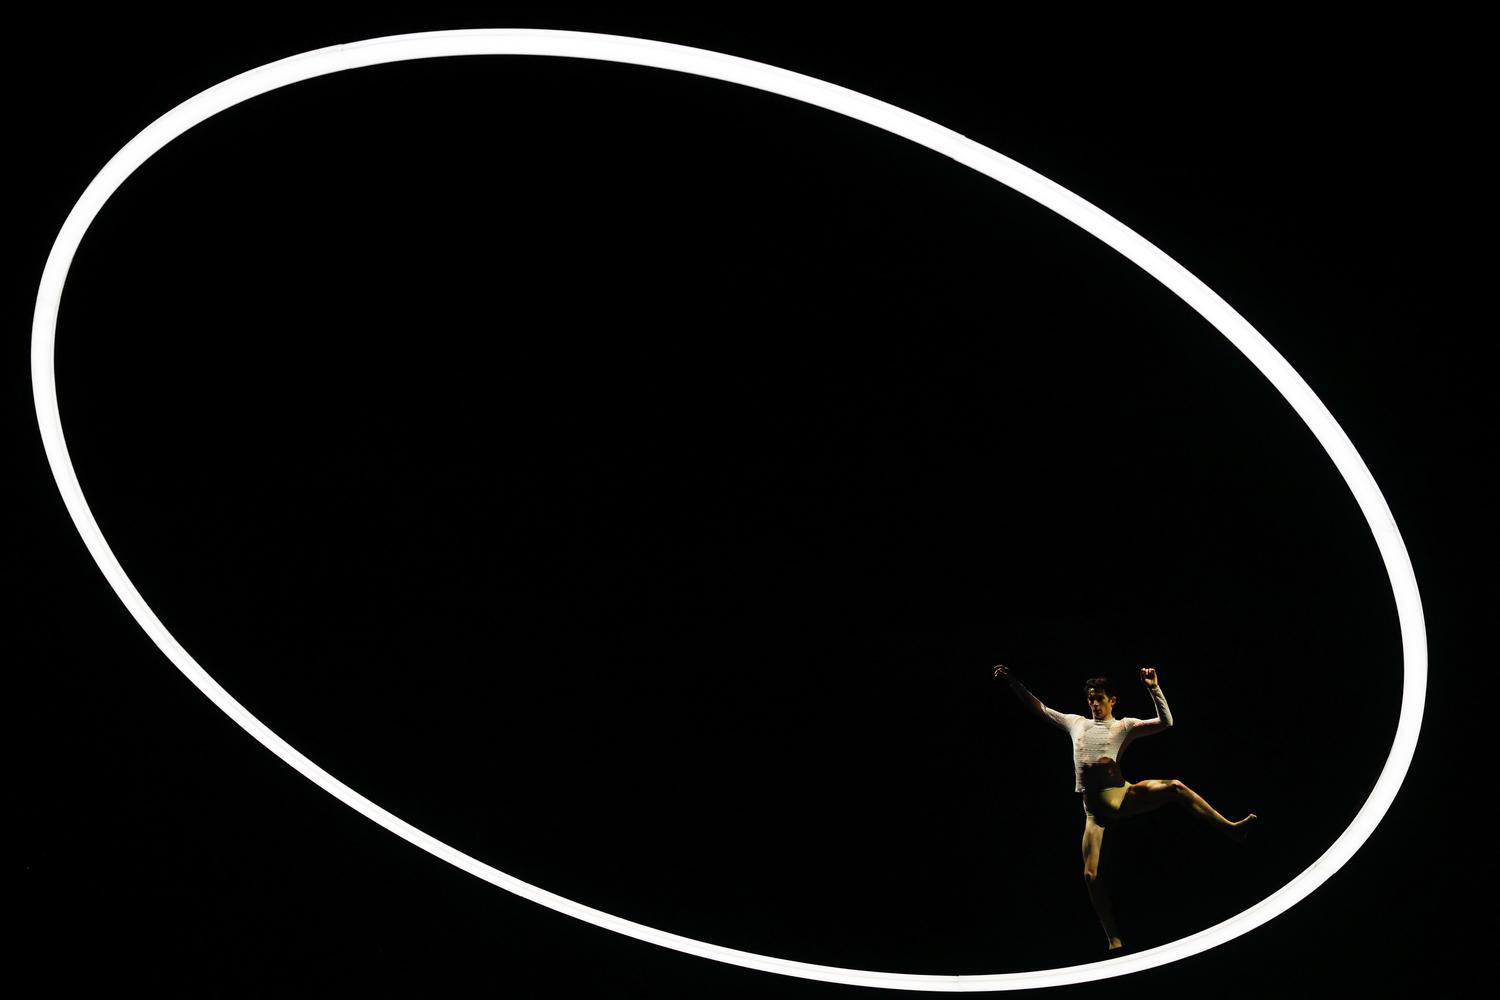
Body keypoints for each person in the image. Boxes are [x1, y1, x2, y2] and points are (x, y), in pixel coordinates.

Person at [993, 664, 1257, 952]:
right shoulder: (1075, 723)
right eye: (1090, 698)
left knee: (1175, 787)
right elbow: (1040, 708)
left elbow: (1165, 722)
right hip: (1094, 813)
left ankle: (1231, 828)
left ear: (1112, 701)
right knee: (1090, 876)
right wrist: (1012, 682)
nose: (1094, 703)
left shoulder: (1124, 726)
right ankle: (1113, 939)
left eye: (1099, 698)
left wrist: (1153, 687)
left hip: (1122, 795)